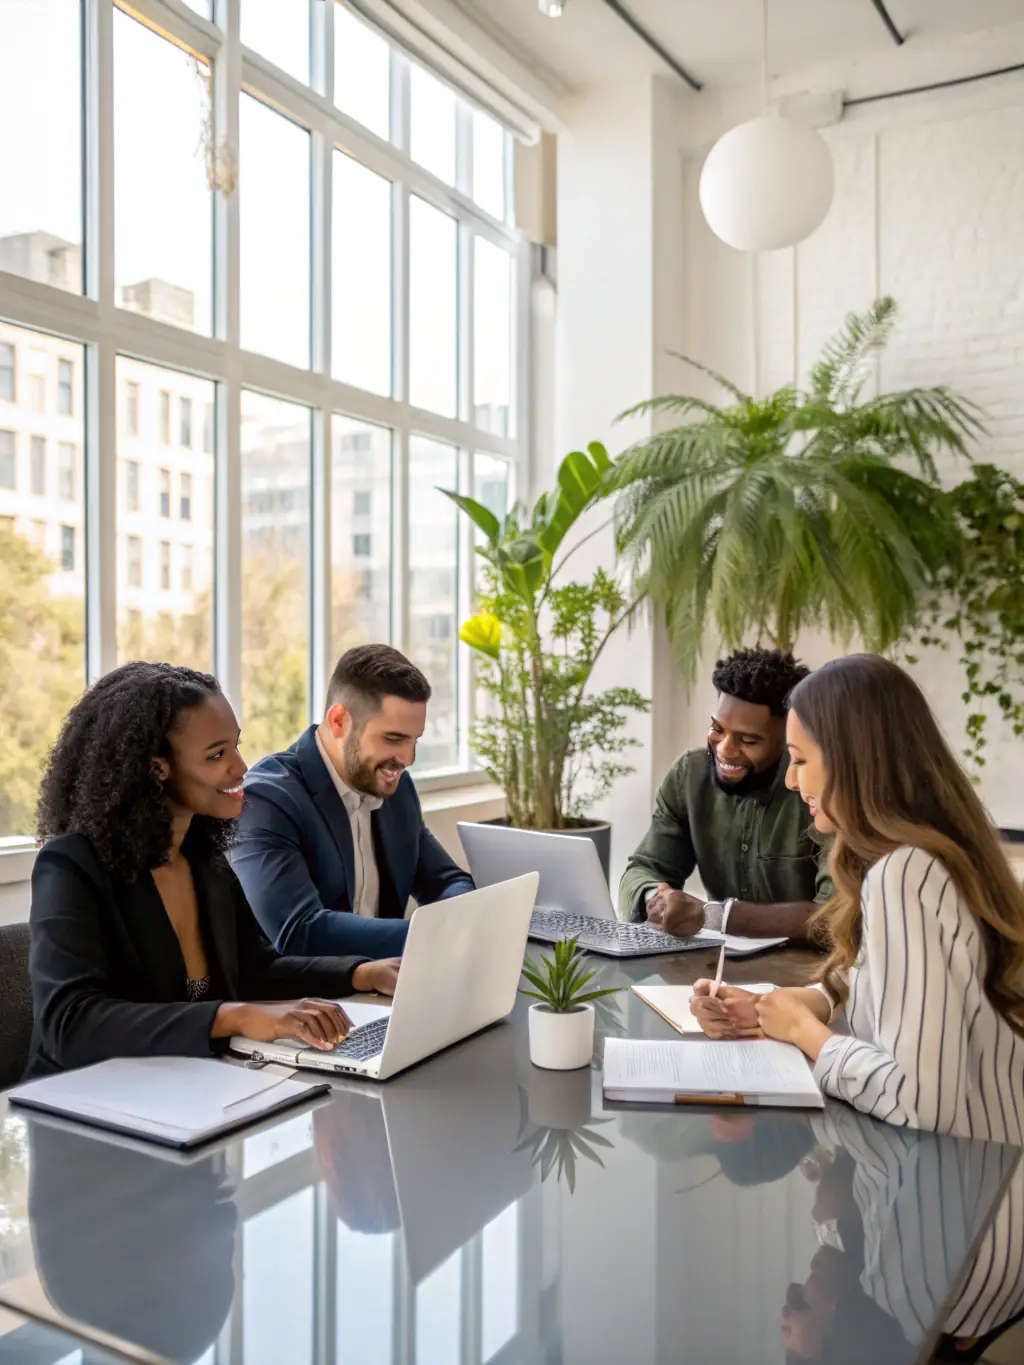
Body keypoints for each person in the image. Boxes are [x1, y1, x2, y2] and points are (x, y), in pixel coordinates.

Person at [691, 654, 1024, 1350]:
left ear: (855, 761)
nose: (790, 778)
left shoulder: (906, 873)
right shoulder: (922, 858)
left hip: (963, 1235)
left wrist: (808, 1037)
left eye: (803, 759)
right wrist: (787, 1006)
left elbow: (921, 1098)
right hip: (973, 1199)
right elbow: (881, 982)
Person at [25, 662, 400, 1079]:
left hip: (187, 1088)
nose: (240, 767)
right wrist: (233, 1017)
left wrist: (361, 972)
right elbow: (70, 1024)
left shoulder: (204, 859)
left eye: (236, 746)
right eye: (217, 754)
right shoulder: (70, 865)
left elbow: (256, 971)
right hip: (81, 1105)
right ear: (155, 768)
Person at [231, 644, 474, 959]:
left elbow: (445, 881)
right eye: (393, 739)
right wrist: (435, 934)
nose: (407, 759)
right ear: (338, 722)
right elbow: (299, 933)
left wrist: (464, 919)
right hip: (304, 999)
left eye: (414, 740)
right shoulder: (268, 800)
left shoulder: (396, 789)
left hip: (384, 990)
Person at [618, 647, 830, 941]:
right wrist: (656, 897)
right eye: (717, 728)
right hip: (712, 967)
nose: (724, 749)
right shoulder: (689, 776)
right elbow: (645, 867)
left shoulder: (819, 792)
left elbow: (834, 915)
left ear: (788, 737)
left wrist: (714, 917)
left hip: (804, 974)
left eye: (748, 740)